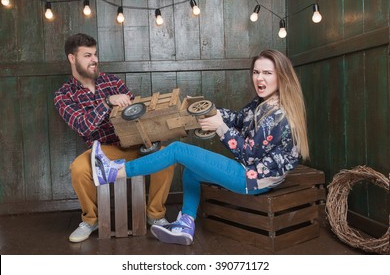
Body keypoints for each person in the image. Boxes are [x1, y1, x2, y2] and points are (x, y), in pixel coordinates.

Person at [90, 49, 310, 246]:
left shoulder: (278, 115)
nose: (259, 78)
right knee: (192, 173)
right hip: (256, 174)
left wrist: (220, 128)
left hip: (252, 178)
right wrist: (202, 110)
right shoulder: (263, 101)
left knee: (177, 150)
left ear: (282, 76)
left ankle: (113, 172)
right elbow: (237, 118)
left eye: (267, 73)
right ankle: (186, 223)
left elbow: (249, 157)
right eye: (256, 72)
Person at [54, 33, 176, 243]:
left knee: (166, 157)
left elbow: (138, 113)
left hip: (136, 144)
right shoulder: (63, 95)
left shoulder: (112, 81)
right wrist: (107, 102)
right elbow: (83, 126)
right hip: (104, 151)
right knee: (79, 168)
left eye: (95, 54)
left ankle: (155, 216)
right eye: (87, 55)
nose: (95, 60)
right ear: (72, 59)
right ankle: (90, 220)